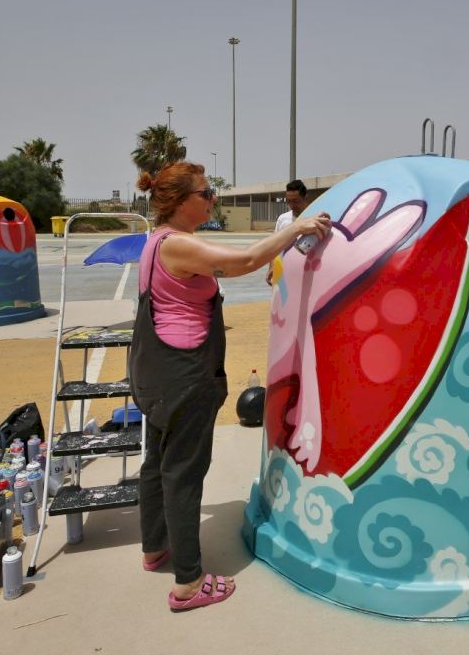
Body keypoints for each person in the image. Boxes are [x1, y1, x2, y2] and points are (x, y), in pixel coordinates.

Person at [130, 162, 329, 612]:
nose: (212, 199)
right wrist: (296, 228)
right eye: (205, 193)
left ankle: (155, 547)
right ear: (180, 201)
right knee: (184, 472)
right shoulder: (178, 245)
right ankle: (188, 583)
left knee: (158, 463)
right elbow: (244, 261)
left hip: (157, 375)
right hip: (184, 377)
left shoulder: (156, 240)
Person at [267, 179, 309, 284]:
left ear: (305, 198)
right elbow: (275, 245)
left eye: (295, 201)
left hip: (309, 271)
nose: (291, 205)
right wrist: (272, 267)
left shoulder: (315, 217)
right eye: (289, 201)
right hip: (286, 272)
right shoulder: (283, 219)